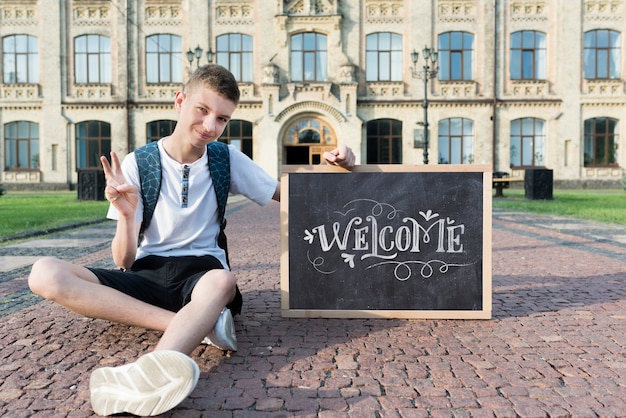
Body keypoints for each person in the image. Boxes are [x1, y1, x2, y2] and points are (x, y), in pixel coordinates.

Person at [27, 64, 355, 417]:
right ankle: (199, 325)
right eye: (203, 110)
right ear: (180, 101)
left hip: (202, 275)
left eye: (222, 119)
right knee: (44, 273)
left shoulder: (225, 158)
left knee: (223, 280)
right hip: (146, 273)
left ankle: (153, 370)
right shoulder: (140, 162)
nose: (210, 126)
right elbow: (124, 259)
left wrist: (334, 169)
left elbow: (292, 195)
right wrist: (125, 216)